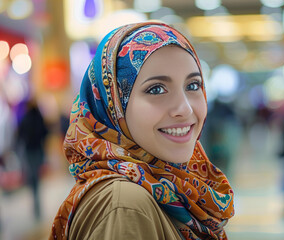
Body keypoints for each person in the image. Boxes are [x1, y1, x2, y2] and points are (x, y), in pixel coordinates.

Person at [50, 22, 234, 240]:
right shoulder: (124, 205)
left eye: (193, 85)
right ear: (113, 106)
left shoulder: (172, 186)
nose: (184, 108)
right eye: (156, 89)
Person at [18, 98, 48, 220]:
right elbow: (45, 132)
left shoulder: (25, 119)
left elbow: (20, 134)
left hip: (29, 151)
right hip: (39, 150)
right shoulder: (39, 118)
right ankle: (37, 202)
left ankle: (35, 199)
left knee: (32, 176)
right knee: (36, 176)